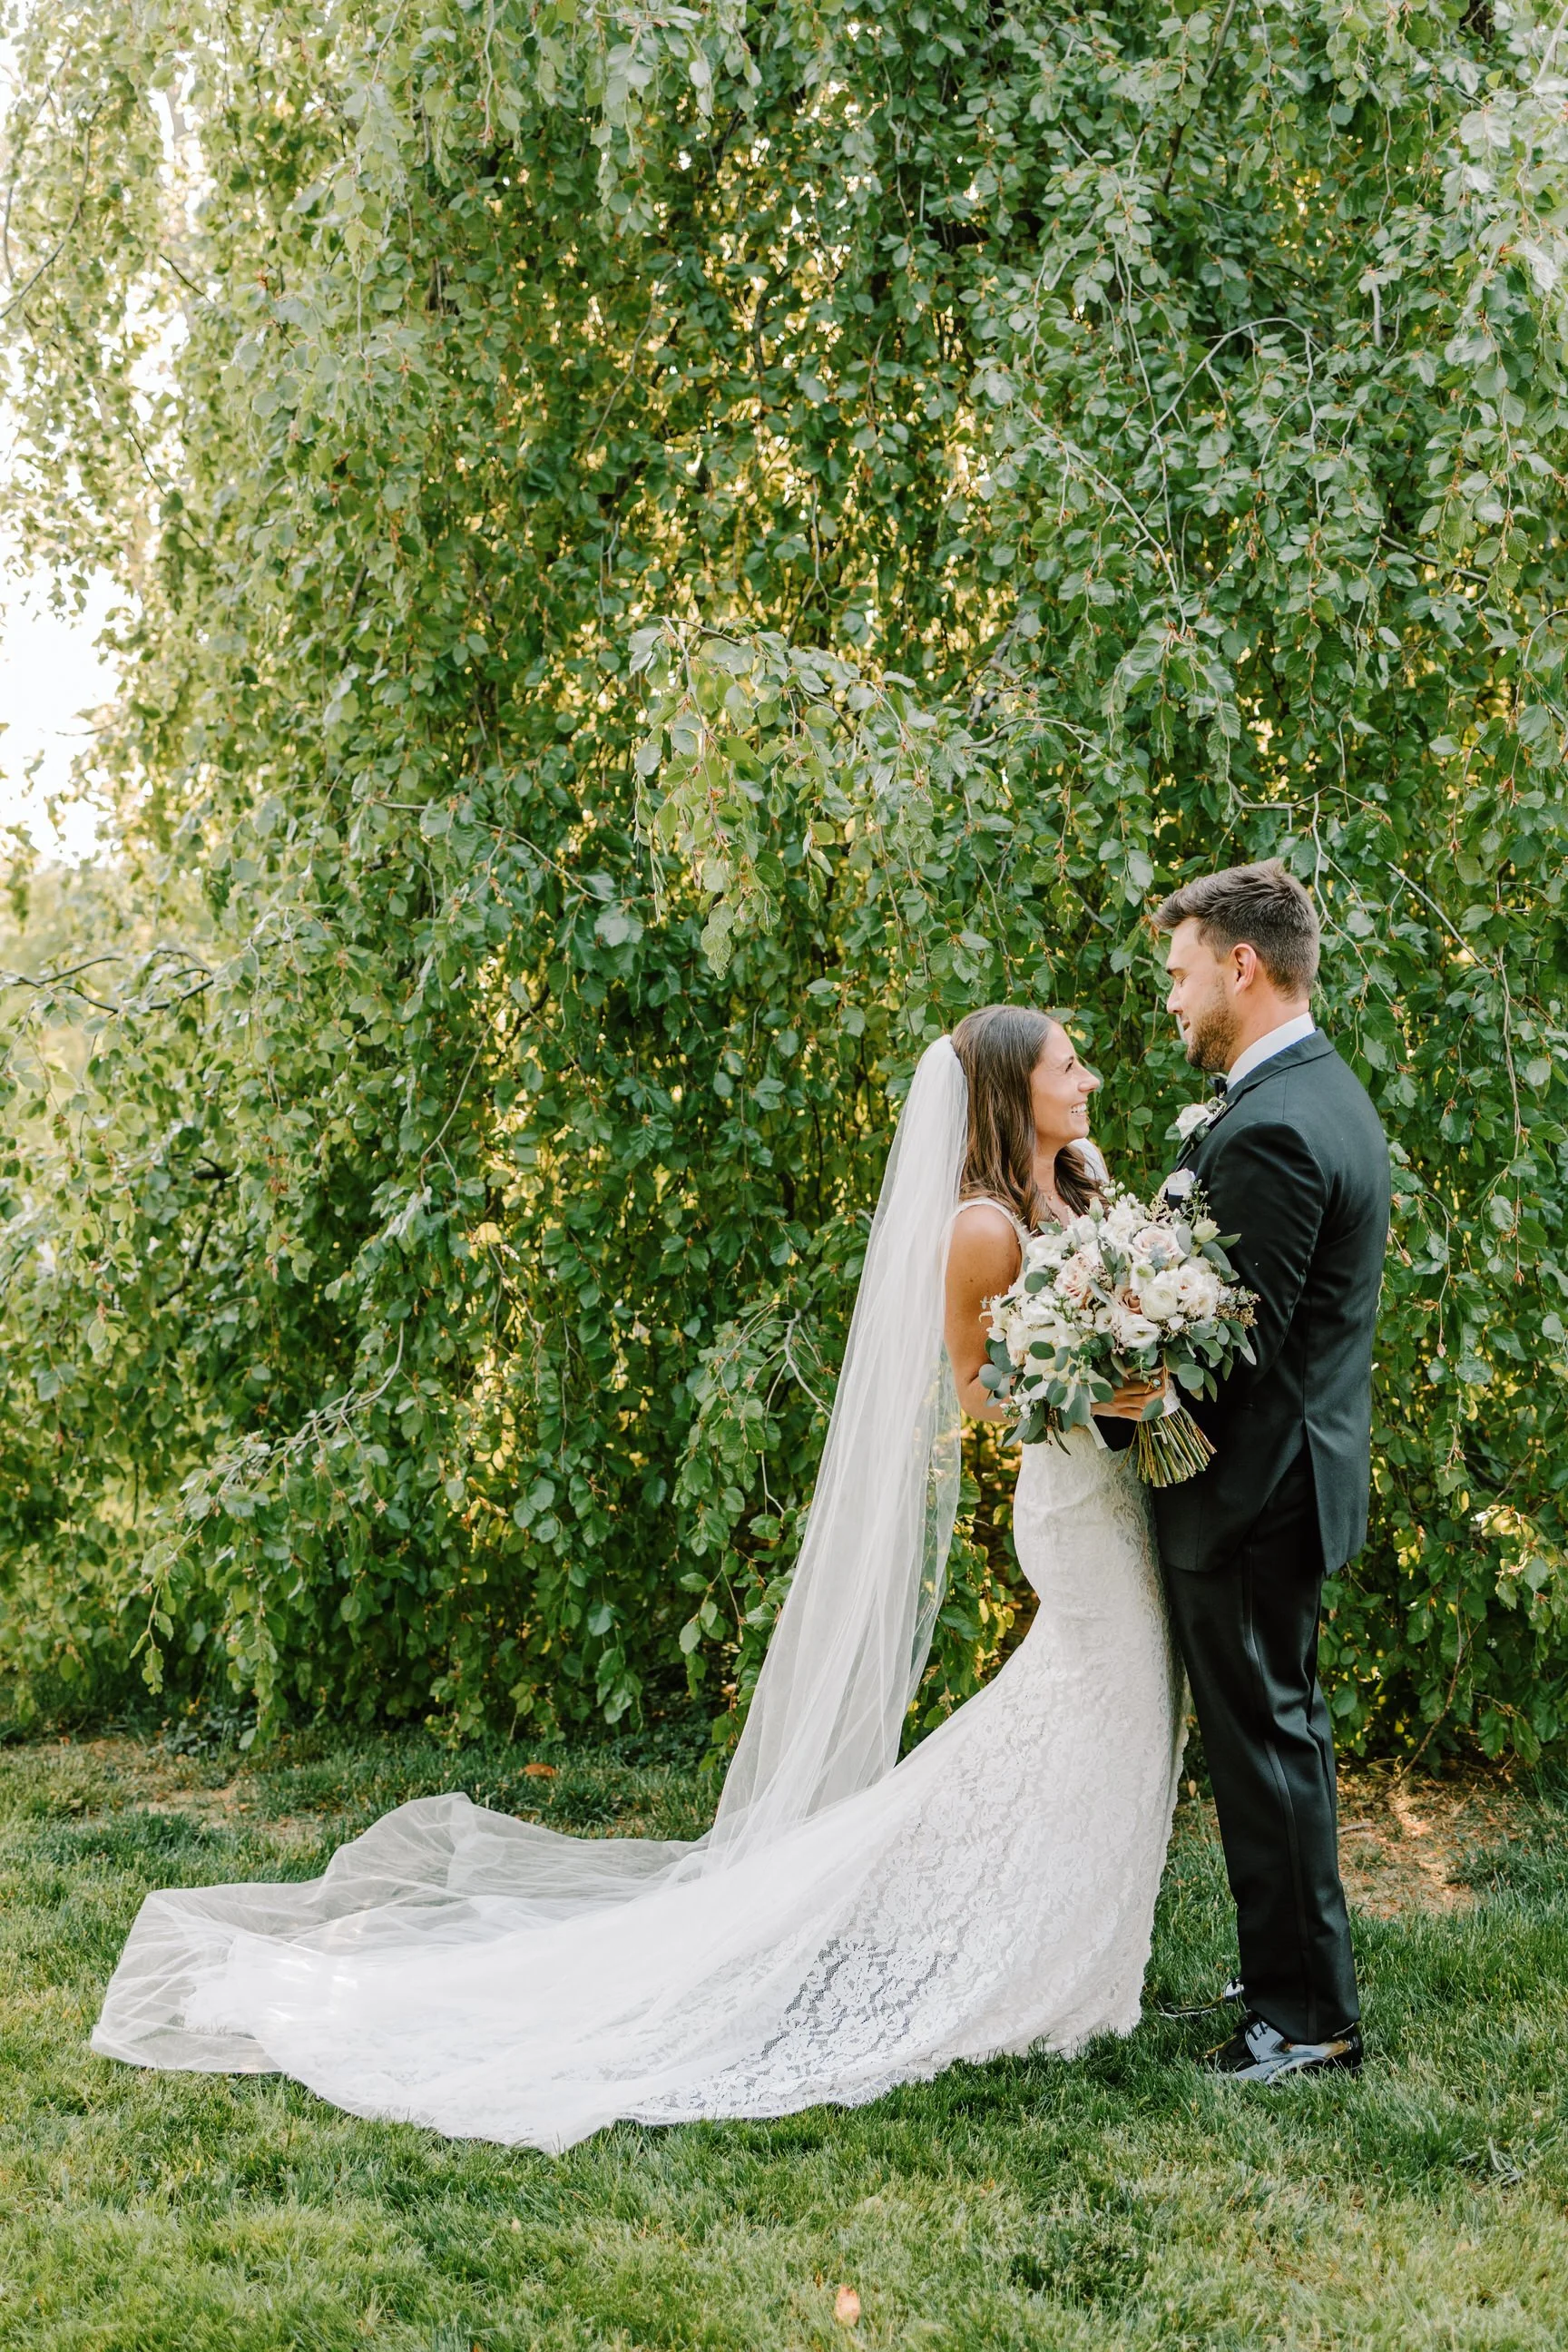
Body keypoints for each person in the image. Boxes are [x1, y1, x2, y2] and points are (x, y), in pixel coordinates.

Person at [92, 1009, 1183, 2151]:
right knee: (1091, 1707)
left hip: (1111, 1500)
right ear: (1014, 1087)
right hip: (1070, 1504)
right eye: (1069, 1065)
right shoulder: (980, 1226)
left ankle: (1058, 1934)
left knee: (1113, 1716)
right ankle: (1011, 1947)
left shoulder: (1078, 1190)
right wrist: (1095, 1394)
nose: (1090, 1077)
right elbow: (973, 1389)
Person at [1148, 860, 1390, 2084]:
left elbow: (1228, 1351)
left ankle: (1307, 2020)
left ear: (1243, 965)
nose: (1174, 1001)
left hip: (1253, 1493)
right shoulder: (1317, 1090)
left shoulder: (1281, 1123)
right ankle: (1290, 1979)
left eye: (1183, 974)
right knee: (1276, 1738)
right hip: (1289, 1479)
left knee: (1270, 1747)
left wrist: (1109, 1382)